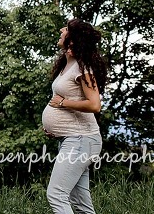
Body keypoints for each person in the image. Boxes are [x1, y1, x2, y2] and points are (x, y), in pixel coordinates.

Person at [42, 18, 108, 214]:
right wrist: (57, 128)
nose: (61, 30)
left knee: (56, 194)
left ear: (73, 39)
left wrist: (63, 103)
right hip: (73, 139)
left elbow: (94, 105)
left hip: (81, 140)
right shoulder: (69, 65)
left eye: (66, 29)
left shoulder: (82, 67)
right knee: (81, 204)